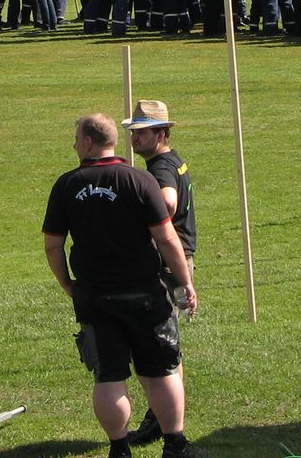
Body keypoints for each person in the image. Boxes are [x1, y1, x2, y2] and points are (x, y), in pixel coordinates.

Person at [42, 114, 200, 458]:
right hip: (145, 292)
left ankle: (119, 448)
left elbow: (53, 245)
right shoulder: (140, 180)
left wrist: (67, 284)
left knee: (109, 377)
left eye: (76, 138)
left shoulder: (66, 185)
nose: (74, 144)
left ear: (88, 143)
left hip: (94, 294)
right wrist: (186, 282)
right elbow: (167, 238)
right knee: (161, 371)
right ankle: (175, 445)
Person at [122, 100, 197, 449]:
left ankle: (162, 418)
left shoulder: (161, 168)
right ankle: (163, 415)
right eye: (133, 132)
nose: (135, 138)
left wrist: (138, 212)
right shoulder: (172, 161)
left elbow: (167, 201)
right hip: (176, 258)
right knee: (167, 345)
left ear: (162, 133)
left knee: (163, 347)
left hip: (167, 262)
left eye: (143, 132)